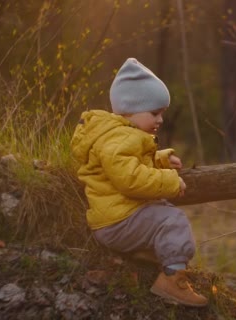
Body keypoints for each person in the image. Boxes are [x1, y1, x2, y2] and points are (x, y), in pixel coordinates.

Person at [70, 58, 208, 307]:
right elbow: (130, 179)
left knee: (163, 213)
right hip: (118, 222)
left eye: (162, 114)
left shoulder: (119, 136)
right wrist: (169, 181)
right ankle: (172, 281)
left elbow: (131, 163)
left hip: (119, 217)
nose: (160, 120)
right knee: (172, 221)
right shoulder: (118, 139)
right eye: (155, 113)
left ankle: (153, 260)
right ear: (130, 110)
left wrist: (162, 160)